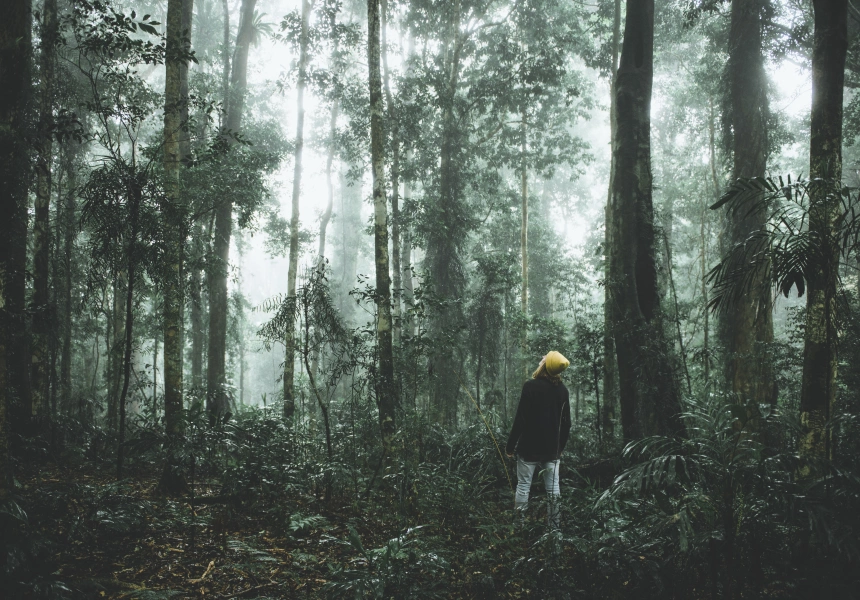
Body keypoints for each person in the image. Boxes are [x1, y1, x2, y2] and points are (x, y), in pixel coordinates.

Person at [505, 351, 571, 529]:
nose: (542, 358)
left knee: (523, 486)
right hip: (551, 450)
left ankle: (519, 528)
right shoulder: (563, 391)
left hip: (528, 448)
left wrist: (510, 447)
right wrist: (560, 447)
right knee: (553, 490)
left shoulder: (530, 386)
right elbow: (567, 425)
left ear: (546, 365)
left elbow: (521, 419)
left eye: (544, 358)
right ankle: (554, 531)